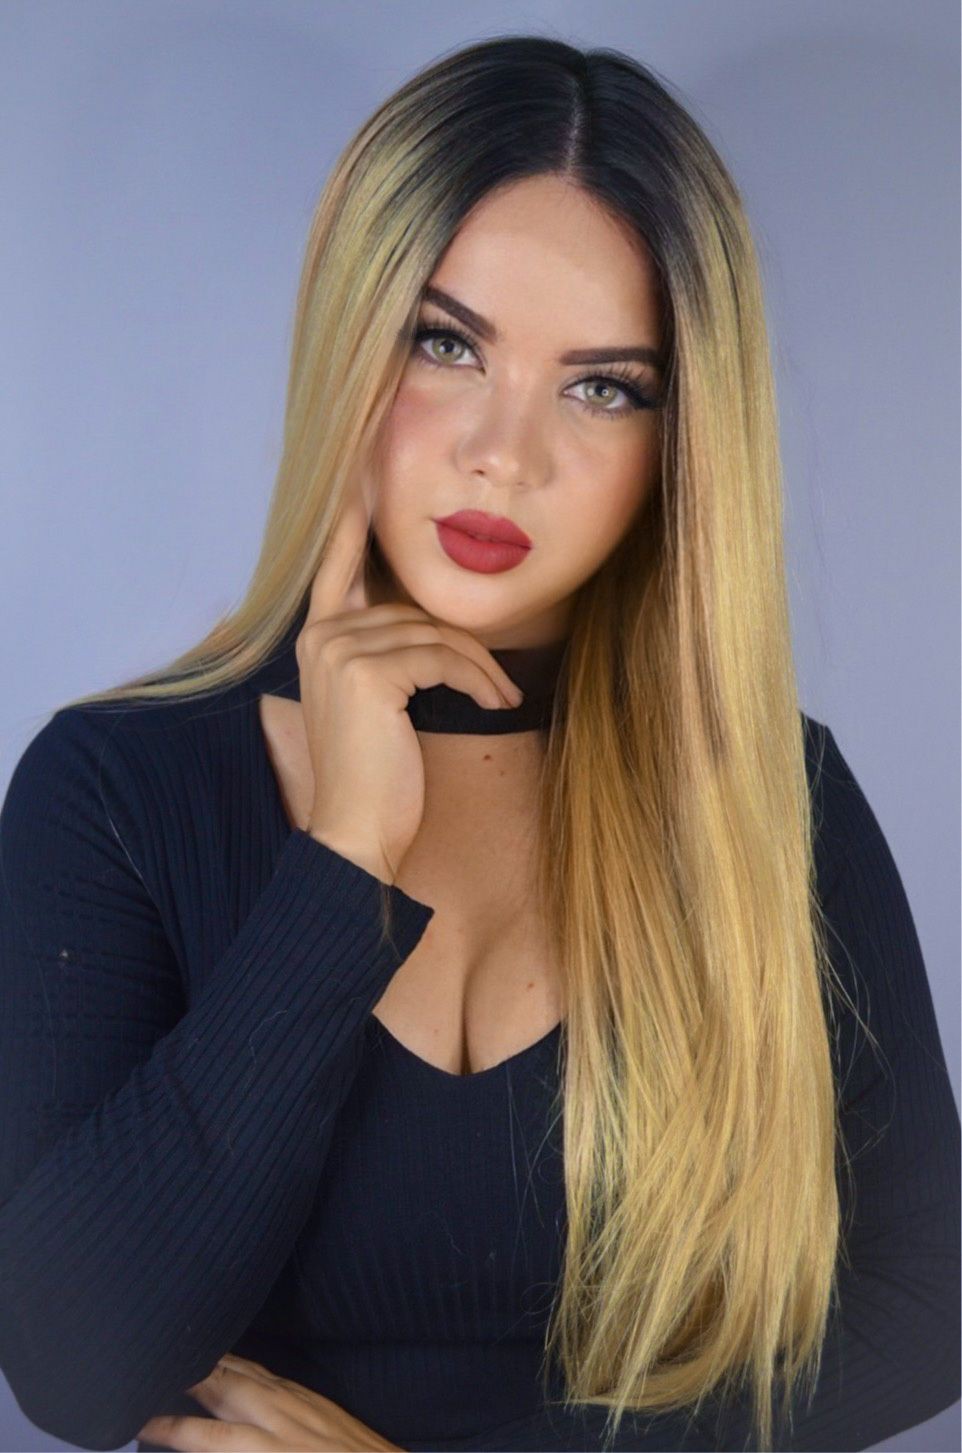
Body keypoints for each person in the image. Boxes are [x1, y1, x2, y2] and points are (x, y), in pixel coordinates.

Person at [0, 33, 958, 1453]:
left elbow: (926, 1306)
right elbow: (73, 1375)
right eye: (446, 345)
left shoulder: (769, 792)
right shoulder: (114, 790)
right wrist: (340, 862)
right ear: (351, 341)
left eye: (602, 385)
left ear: (679, 438)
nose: (505, 454)